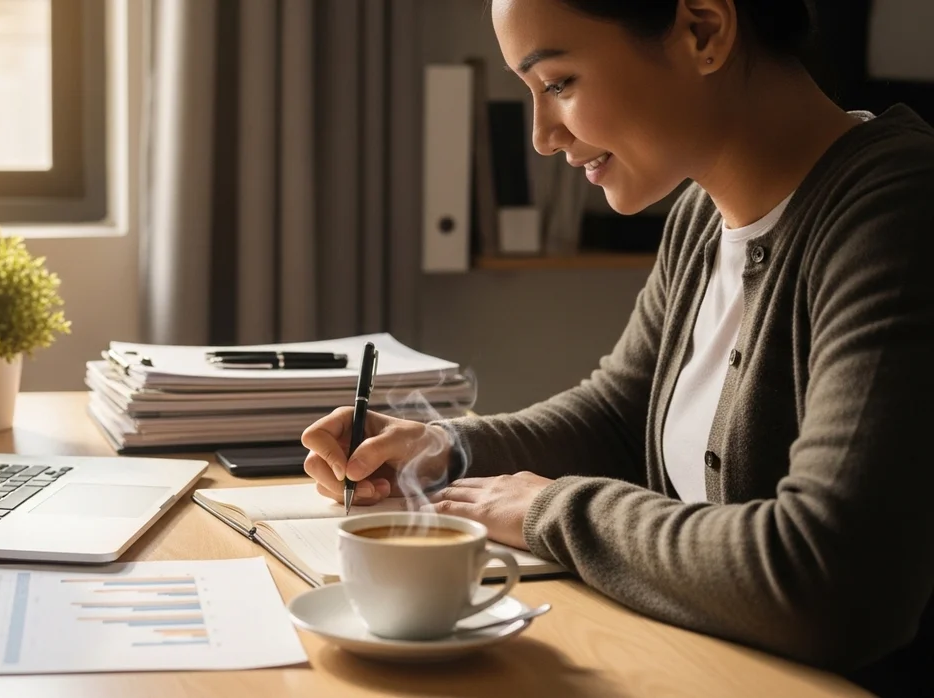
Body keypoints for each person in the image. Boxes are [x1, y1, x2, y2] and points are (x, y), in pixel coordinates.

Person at [301, 0, 934, 694]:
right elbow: (616, 420)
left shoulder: (898, 217)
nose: (542, 136)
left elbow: (831, 579)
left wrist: (549, 511)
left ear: (703, 31)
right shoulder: (702, 217)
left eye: (559, 83)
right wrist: (441, 449)